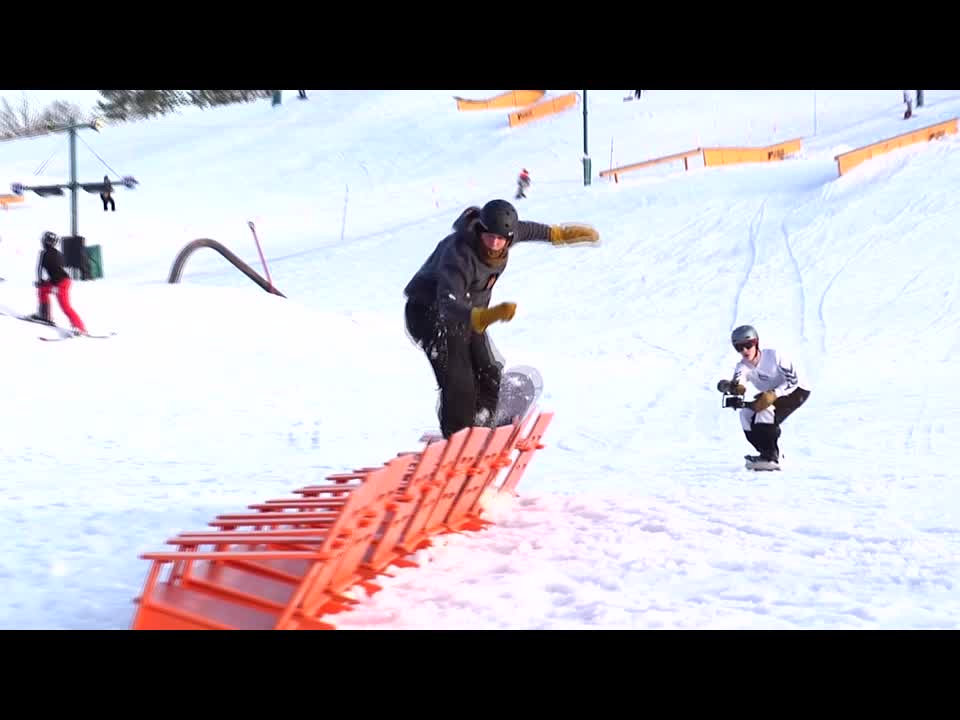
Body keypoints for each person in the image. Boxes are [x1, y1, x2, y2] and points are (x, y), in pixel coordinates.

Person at [404, 199, 598, 438]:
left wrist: (559, 234)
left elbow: (528, 230)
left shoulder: (505, 235)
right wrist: (485, 315)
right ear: (481, 230)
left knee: (489, 368)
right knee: (459, 379)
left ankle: (482, 419)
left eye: (501, 239)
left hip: (468, 315)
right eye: (490, 237)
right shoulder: (459, 254)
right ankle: (457, 434)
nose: (495, 244)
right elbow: (447, 301)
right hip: (429, 313)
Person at [717, 324, 811, 470]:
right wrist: (733, 389)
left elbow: (793, 380)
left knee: (765, 411)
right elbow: (739, 384)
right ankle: (768, 453)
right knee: (745, 415)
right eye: (739, 347)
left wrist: (774, 394)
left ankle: (773, 456)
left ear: (756, 343)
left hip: (797, 390)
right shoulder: (742, 366)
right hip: (771, 394)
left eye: (748, 345)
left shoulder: (774, 356)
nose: (744, 350)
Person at [30, 231, 88, 335]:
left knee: (65, 306)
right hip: (59, 280)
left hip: (61, 282)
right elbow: (59, 267)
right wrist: (43, 282)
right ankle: (44, 315)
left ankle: (80, 328)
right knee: (42, 290)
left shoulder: (45, 253)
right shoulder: (56, 253)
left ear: (46, 242)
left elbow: (40, 269)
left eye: (44, 240)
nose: (43, 242)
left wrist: (41, 281)